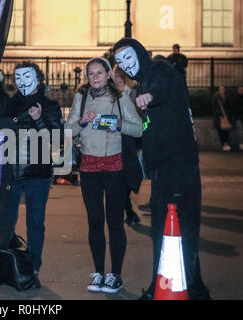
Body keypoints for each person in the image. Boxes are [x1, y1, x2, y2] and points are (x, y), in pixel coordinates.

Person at [113, 38, 211, 300]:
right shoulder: (142, 82)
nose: (125, 65)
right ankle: (193, 287)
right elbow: (150, 125)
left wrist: (149, 95)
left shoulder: (158, 68)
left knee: (176, 229)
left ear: (142, 54)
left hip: (178, 166)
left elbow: (162, 86)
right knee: (175, 229)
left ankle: (176, 289)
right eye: (120, 62)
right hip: (165, 168)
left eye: (128, 58)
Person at [65, 57, 142, 293]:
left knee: (114, 222)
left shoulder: (120, 98)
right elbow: (67, 130)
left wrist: (119, 125)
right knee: (95, 221)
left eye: (99, 72)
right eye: (91, 73)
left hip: (115, 166)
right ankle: (98, 272)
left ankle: (115, 275)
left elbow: (138, 127)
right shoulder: (81, 97)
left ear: (109, 74)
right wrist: (82, 121)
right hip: (89, 167)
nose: (95, 77)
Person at [0, 61, 63, 289]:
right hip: (11, 173)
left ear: (38, 78)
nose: (21, 81)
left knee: (35, 224)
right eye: (17, 77)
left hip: (37, 174)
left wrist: (39, 118)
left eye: (27, 76)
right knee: (5, 224)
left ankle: (32, 271)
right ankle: (0, 270)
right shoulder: (9, 104)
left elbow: (57, 139)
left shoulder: (49, 105)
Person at [113, 67, 141, 226]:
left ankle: (128, 210)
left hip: (129, 141)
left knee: (130, 178)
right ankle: (128, 210)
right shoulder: (108, 95)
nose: (118, 79)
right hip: (114, 142)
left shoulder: (132, 94)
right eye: (116, 76)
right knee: (119, 181)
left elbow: (140, 120)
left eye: (121, 76)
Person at [212, 86, 233, 152]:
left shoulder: (227, 97)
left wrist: (227, 115)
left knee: (226, 130)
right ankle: (224, 144)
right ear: (219, 90)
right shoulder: (216, 97)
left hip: (226, 117)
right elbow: (214, 108)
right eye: (221, 89)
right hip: (219, 119)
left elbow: (230, 107)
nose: (222, 90)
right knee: (220, 131)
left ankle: (226, 144)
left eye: (223, 89)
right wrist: (219, 115)